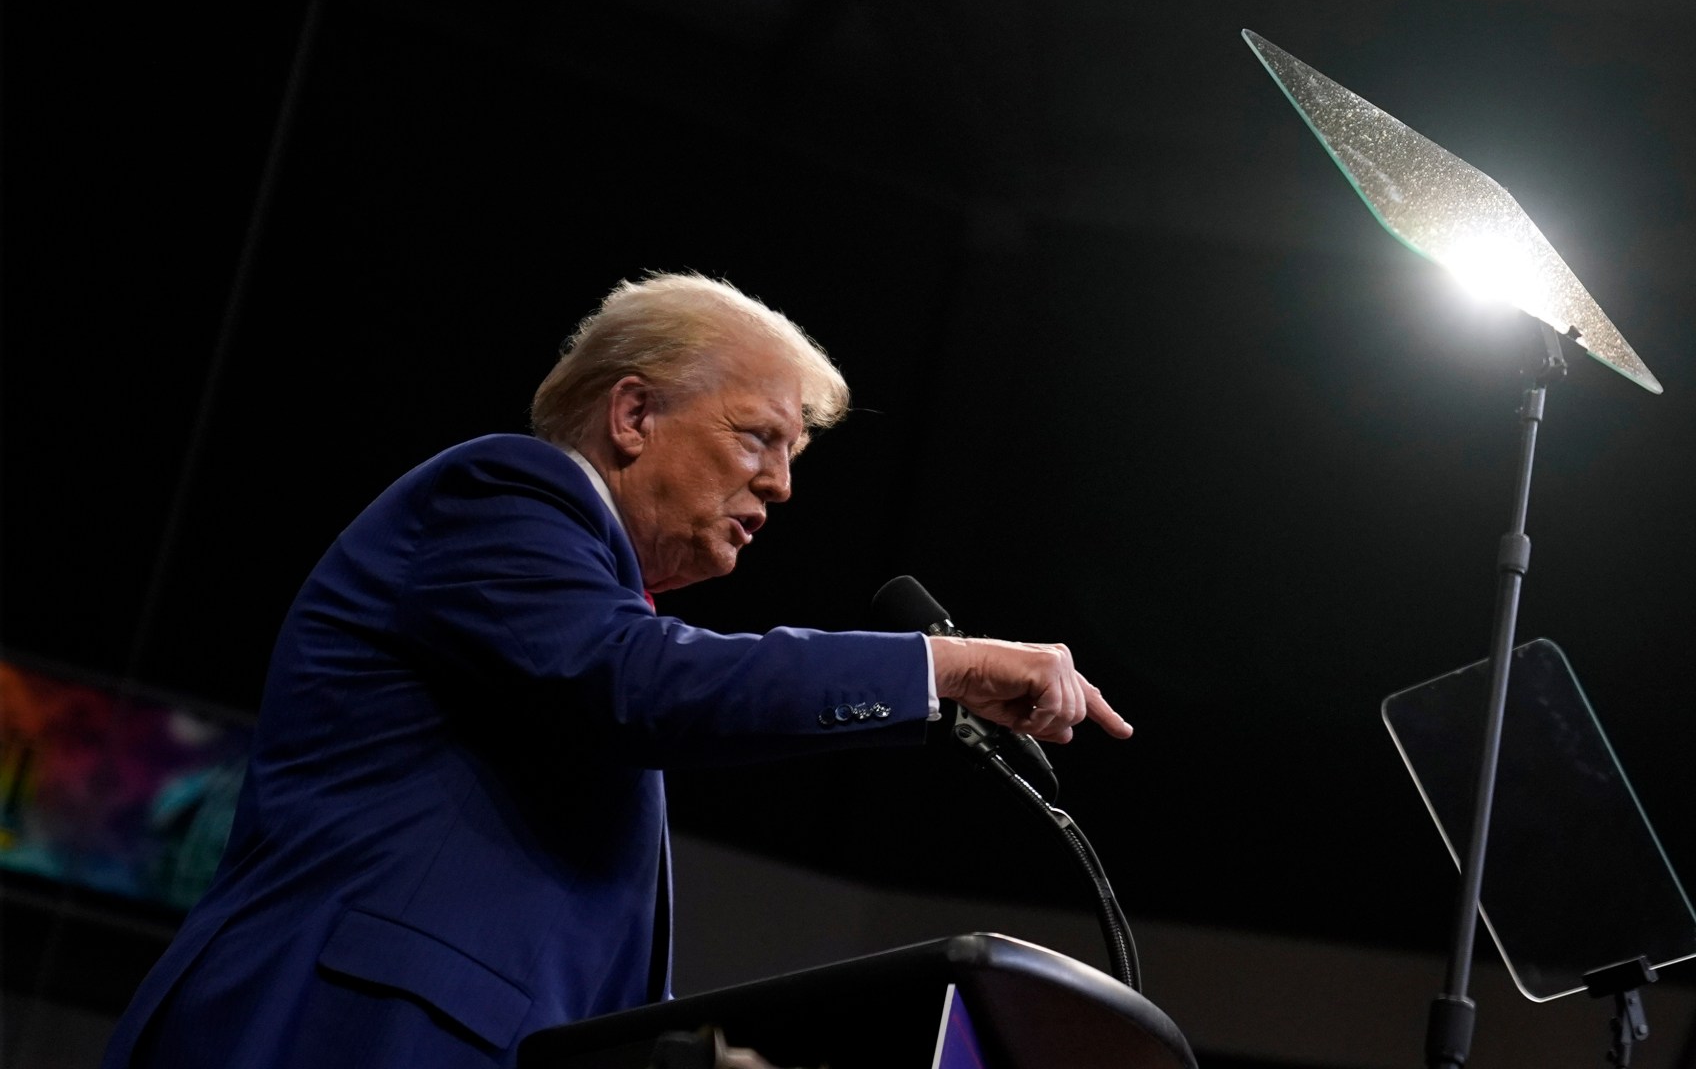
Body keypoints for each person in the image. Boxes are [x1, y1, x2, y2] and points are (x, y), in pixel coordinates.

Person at [103, 273, 1130, 1069]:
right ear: (634, 415)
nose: (777, 484)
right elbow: (642, 684)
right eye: (756, 438)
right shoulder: (503, 497)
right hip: (332, 1031)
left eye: (790, 458)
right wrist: (937, 666)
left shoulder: (592, 623)